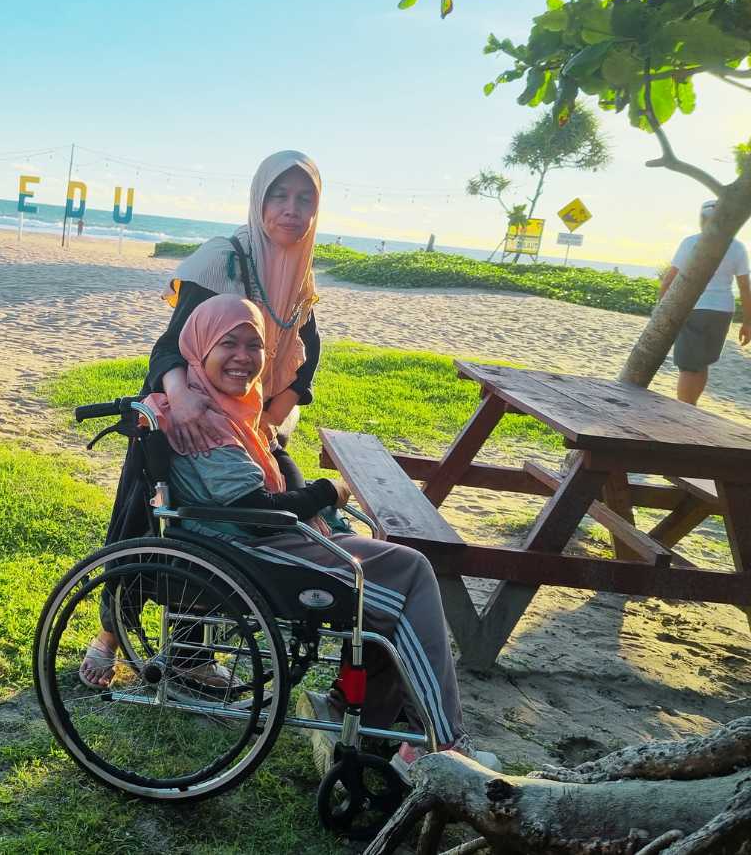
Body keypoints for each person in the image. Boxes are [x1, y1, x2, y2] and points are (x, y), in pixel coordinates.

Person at [89, 294, 500, 780]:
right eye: (229, 343)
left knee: (397, 578)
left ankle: (379, 724)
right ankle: (441, 742)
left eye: (254, 345)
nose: (244, 357)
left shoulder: (227, 407)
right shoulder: (201, 419)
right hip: (250, 550)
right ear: (198, 348)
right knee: (409, 573)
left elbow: (268, 485)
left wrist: (312, 494)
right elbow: (255, 513)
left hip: (262, 539)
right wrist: (331, 490)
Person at [80, 150, 325, 685]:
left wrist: (274, 416)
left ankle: (190, 657)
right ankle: (109, 633)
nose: (291, 209)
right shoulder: (224, 259)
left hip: (247, 415)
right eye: (278, 196)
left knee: (225, 526)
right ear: (259, 202)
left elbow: (306, 353)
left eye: (304, 198)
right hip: (180, 414)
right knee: (145, 524)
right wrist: (182, 397)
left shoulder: (300, 278)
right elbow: (169, 345)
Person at [659, 200, 751, 404]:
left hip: (695, 308)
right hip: (722, 312)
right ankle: (691, 407)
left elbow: (670, 277)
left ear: (703, 220)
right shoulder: (737, 247)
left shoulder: (691, 242)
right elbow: (745, 287)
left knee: (688, 365)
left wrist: (661, 308)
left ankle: (685, 409)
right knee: (701, 363)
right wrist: (747, 322)